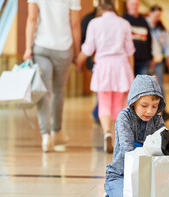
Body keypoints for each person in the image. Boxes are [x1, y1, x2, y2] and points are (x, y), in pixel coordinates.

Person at [76, 0, 135, 154]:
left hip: (103, 66)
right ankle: (118, 137)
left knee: (104, 103)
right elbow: (130, 51)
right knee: (120, 105)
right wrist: (132, 72)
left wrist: (78, 61)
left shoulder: (95, 23)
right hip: (121, 66)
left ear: (100, 8)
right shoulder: (124, 23)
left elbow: (88, 48)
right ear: (113, 8)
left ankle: (107, 133)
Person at [23, 0, 81, 152]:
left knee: (44, 92)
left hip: (41, 46)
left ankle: (46, 136)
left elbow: (31, 19)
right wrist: (76, 52)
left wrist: (27, 48)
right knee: (58, 91)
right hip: (63, 48)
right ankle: (57, 132)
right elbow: (75, 24)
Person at [104, 75, 166, 197]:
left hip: (147, 176)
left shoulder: (157, 119)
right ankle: (111, 191)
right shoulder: (124, 117)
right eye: (144, 106)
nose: (150, 111)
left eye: (154, 106)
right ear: (133, 102)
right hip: (121, 175)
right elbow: (128, 151)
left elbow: (164, 146)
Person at [146, 4, 169, 121]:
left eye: (159, 15)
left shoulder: (162, 30)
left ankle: (162, 110)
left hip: (158, 62)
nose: (158, 18)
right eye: (156, 15)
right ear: (150, 13)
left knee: (159, 86)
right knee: (145, 87)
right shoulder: (144, 25)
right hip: (145, 61)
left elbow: (168, 47)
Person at [123, 0, 153, 75]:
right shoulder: (123, 20)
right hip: (127, 60)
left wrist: (151, 57)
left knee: (142, 85)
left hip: (143, 61)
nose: (134, 6)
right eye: (132, 4)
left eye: (136, 4)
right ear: (127, 5)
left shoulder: (144, 22)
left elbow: (149, 41)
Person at [81, 7, 99, 124]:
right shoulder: (90, 20)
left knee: (100, 88)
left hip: (92, 57)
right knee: (100, 88)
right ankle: (98, 113)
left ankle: (97, 112)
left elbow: (83, 39)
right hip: (94, 58)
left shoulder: (88, 19)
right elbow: (84, 39)